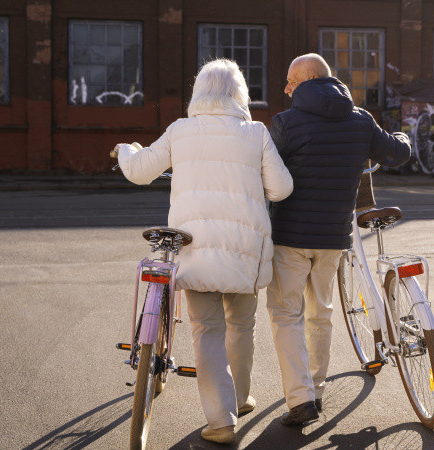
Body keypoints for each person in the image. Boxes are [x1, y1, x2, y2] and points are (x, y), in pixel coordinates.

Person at [113, 59, 293, 444]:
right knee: (241, 325)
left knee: (206, 330)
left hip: (195, 248)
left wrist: (127, 150)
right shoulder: (255, 133)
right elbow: (281, 189)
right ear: (239, 93)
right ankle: (239, 399)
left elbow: (140, 171)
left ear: (199, 92)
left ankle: (221, 420)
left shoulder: (180, 130)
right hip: (245, 249)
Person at [266, 53, 411, 426]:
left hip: (290, 237)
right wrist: (401, 136)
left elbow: (263, 171)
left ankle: (302, 400)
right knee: (321, 314)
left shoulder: (285, 123)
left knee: (286, 315)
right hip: (333, 237)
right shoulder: (361, 120)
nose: (286, 88)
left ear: (309, 79)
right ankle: (315, 390)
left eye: (291, 81)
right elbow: (396, 154)